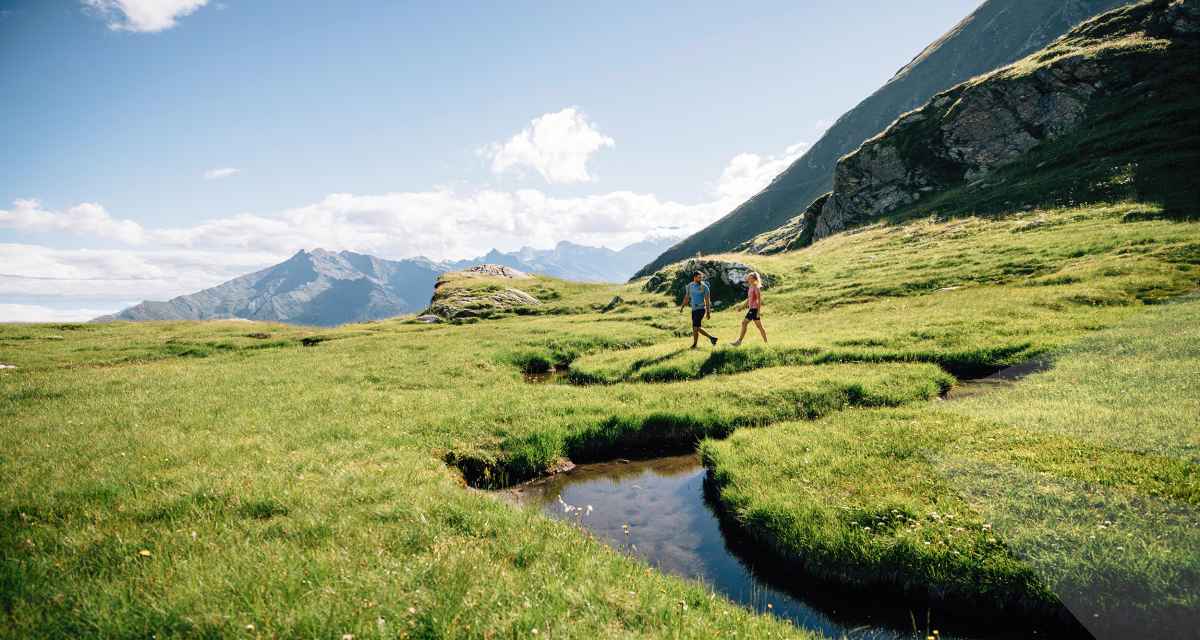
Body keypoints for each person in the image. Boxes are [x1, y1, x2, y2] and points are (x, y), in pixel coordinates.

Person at [679, 271, 718, 348]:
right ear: (695, 277)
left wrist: (708, 312)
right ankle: (708, 340)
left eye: (701, 277)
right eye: (699, 277)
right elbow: (687, 297)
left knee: (695, 327)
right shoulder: (690, 286)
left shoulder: (704, 287)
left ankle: (707, 339)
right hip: (694, 309)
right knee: (696, 328)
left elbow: (707, 300)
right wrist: (682, 307)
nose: (700, 279)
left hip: (701, 309)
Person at [731, 271, 767, 346]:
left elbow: (759, 300)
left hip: (754, 309)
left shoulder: (756, 287)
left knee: (744, 323)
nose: (748, 279)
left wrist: (758, 312)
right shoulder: (751, 287)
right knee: (760, 327)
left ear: (754, 279)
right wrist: (741, 307)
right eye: (748, 278)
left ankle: (739, 342)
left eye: (750, 278)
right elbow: (749, 299)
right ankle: (766, 343)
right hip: (752, 309)